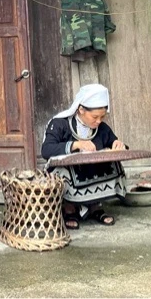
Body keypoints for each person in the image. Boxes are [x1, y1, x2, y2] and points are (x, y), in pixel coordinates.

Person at [41, 83, 127, 229]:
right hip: (66, 170)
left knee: (114, 163)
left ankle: (96, 206)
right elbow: (46, 150)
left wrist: (118, 145)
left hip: (89, 170)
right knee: (65, 171)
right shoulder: (59, 124)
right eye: (94, 117)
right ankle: (70, 208)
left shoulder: (102, 128)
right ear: (80, 109)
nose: (99, 121)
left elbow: (113, 142)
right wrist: (76, 145)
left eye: (102, 117)